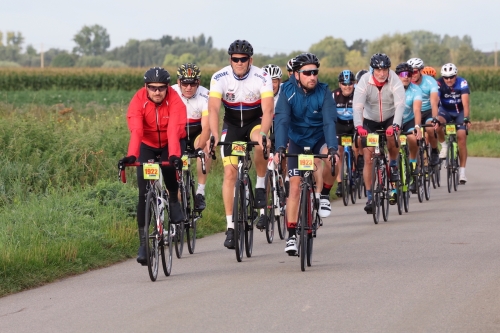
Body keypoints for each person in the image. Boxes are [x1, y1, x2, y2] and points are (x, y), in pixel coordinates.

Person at [208, 40, 274, 249]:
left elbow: (269, 111)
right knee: (229, 174)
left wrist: (263, 133)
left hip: (255, 123)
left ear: (250, 61)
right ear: (230, 60)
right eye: (235, 59)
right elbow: (214, 110)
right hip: (232, 125)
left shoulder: (262, 77)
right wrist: (215, 135)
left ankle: (261, 185)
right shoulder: (220, 77)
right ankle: (230, 227)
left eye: (243, 59)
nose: (239, 63)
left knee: (262, 144)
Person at [119, 67, 187, 265]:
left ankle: (173, 200)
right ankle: (143, 244)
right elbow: (137, 130)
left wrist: (175, 155)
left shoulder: (175, 100)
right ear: (145, 87)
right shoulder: (138, 100)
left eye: (161, 88)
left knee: (167, 167)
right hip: (147, 144)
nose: (157, 92)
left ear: (167, 87)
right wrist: (132, 155)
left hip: (170, 142)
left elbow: (174, 130)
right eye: (152, 88)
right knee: (143, 194)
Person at [274, 52, 338, 256]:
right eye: (307, 73)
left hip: (319, 138)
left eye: (315, 72)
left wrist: (333, 149)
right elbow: (282, 120)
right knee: (294, 187)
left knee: (336, 158)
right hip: (297, 141)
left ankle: (325, 194)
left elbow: (329, 122)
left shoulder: (325, 91)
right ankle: (291, 235)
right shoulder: (287, 90)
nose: (312, 77)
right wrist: (280, 148)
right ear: (296, 74)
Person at [353, 53, 405, 214]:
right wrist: (358, 126)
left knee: (391, 136)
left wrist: (395, 125)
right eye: (378, 70)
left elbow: (400, 104)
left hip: (390, 118)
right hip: (370, 121)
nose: (382, 73)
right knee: (368, 158)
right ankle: (370, 197)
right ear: (373, 70)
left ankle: (394, 163)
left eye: (385, 70)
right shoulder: (364, 81)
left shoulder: (394, 80)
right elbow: (357, 107)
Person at [171, 63, 211, 211]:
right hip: (177, 133)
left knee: (206, 148)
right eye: (185, 83)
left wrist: (200, 148)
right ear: (178, 81)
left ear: (198, 82)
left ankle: (200, 191)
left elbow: (207, 127)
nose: (189, 87)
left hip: (197, 133)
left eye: (192, 83)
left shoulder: (205, 95)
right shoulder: (170, 93)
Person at [323, 70, 362, 200]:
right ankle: (340, 183)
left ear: (354, 84)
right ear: (340, 84)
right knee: (338, 151)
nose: (347, 87)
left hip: (354, 124)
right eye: (344, 84)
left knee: (357, 145)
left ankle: (356, 170)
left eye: (350, 84)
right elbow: (329, 114)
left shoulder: (358, 94)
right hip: (339, 125)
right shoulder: (334, 95)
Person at [435, 63, 471, 183]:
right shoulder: (439, 83)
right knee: (437, 124)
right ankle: (444, 146)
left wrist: (466, 118)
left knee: (461, 138)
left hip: (460, 112)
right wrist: (435, 116)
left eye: (451, 77)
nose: (449, 80)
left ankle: (462, 172)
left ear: (456, 75)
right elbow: (436, 100)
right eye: (446, 77)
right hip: (445, 111)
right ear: (443, 77)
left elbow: (466, 103)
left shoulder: (462, 83)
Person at [394, 62, 423, 197]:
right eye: (403, 74)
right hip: (395, 120)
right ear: (397, 76)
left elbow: (417, 109)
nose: (406, 77)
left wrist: (417, 126)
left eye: (409, 74)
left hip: (409, 119)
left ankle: (412, 162)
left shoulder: (415, 89)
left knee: (412, 138)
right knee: (393, 143)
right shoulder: (391, 88)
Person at [407, 58, 440, 166]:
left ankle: (434, 150)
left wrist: (435, 118)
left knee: (430, 128)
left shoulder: (430, 82)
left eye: (415, 71)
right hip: (413, 112)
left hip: (427, 111)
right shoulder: (407, 83)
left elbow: (434, 102)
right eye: (410, 72)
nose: (412, 74)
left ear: (421, 71)